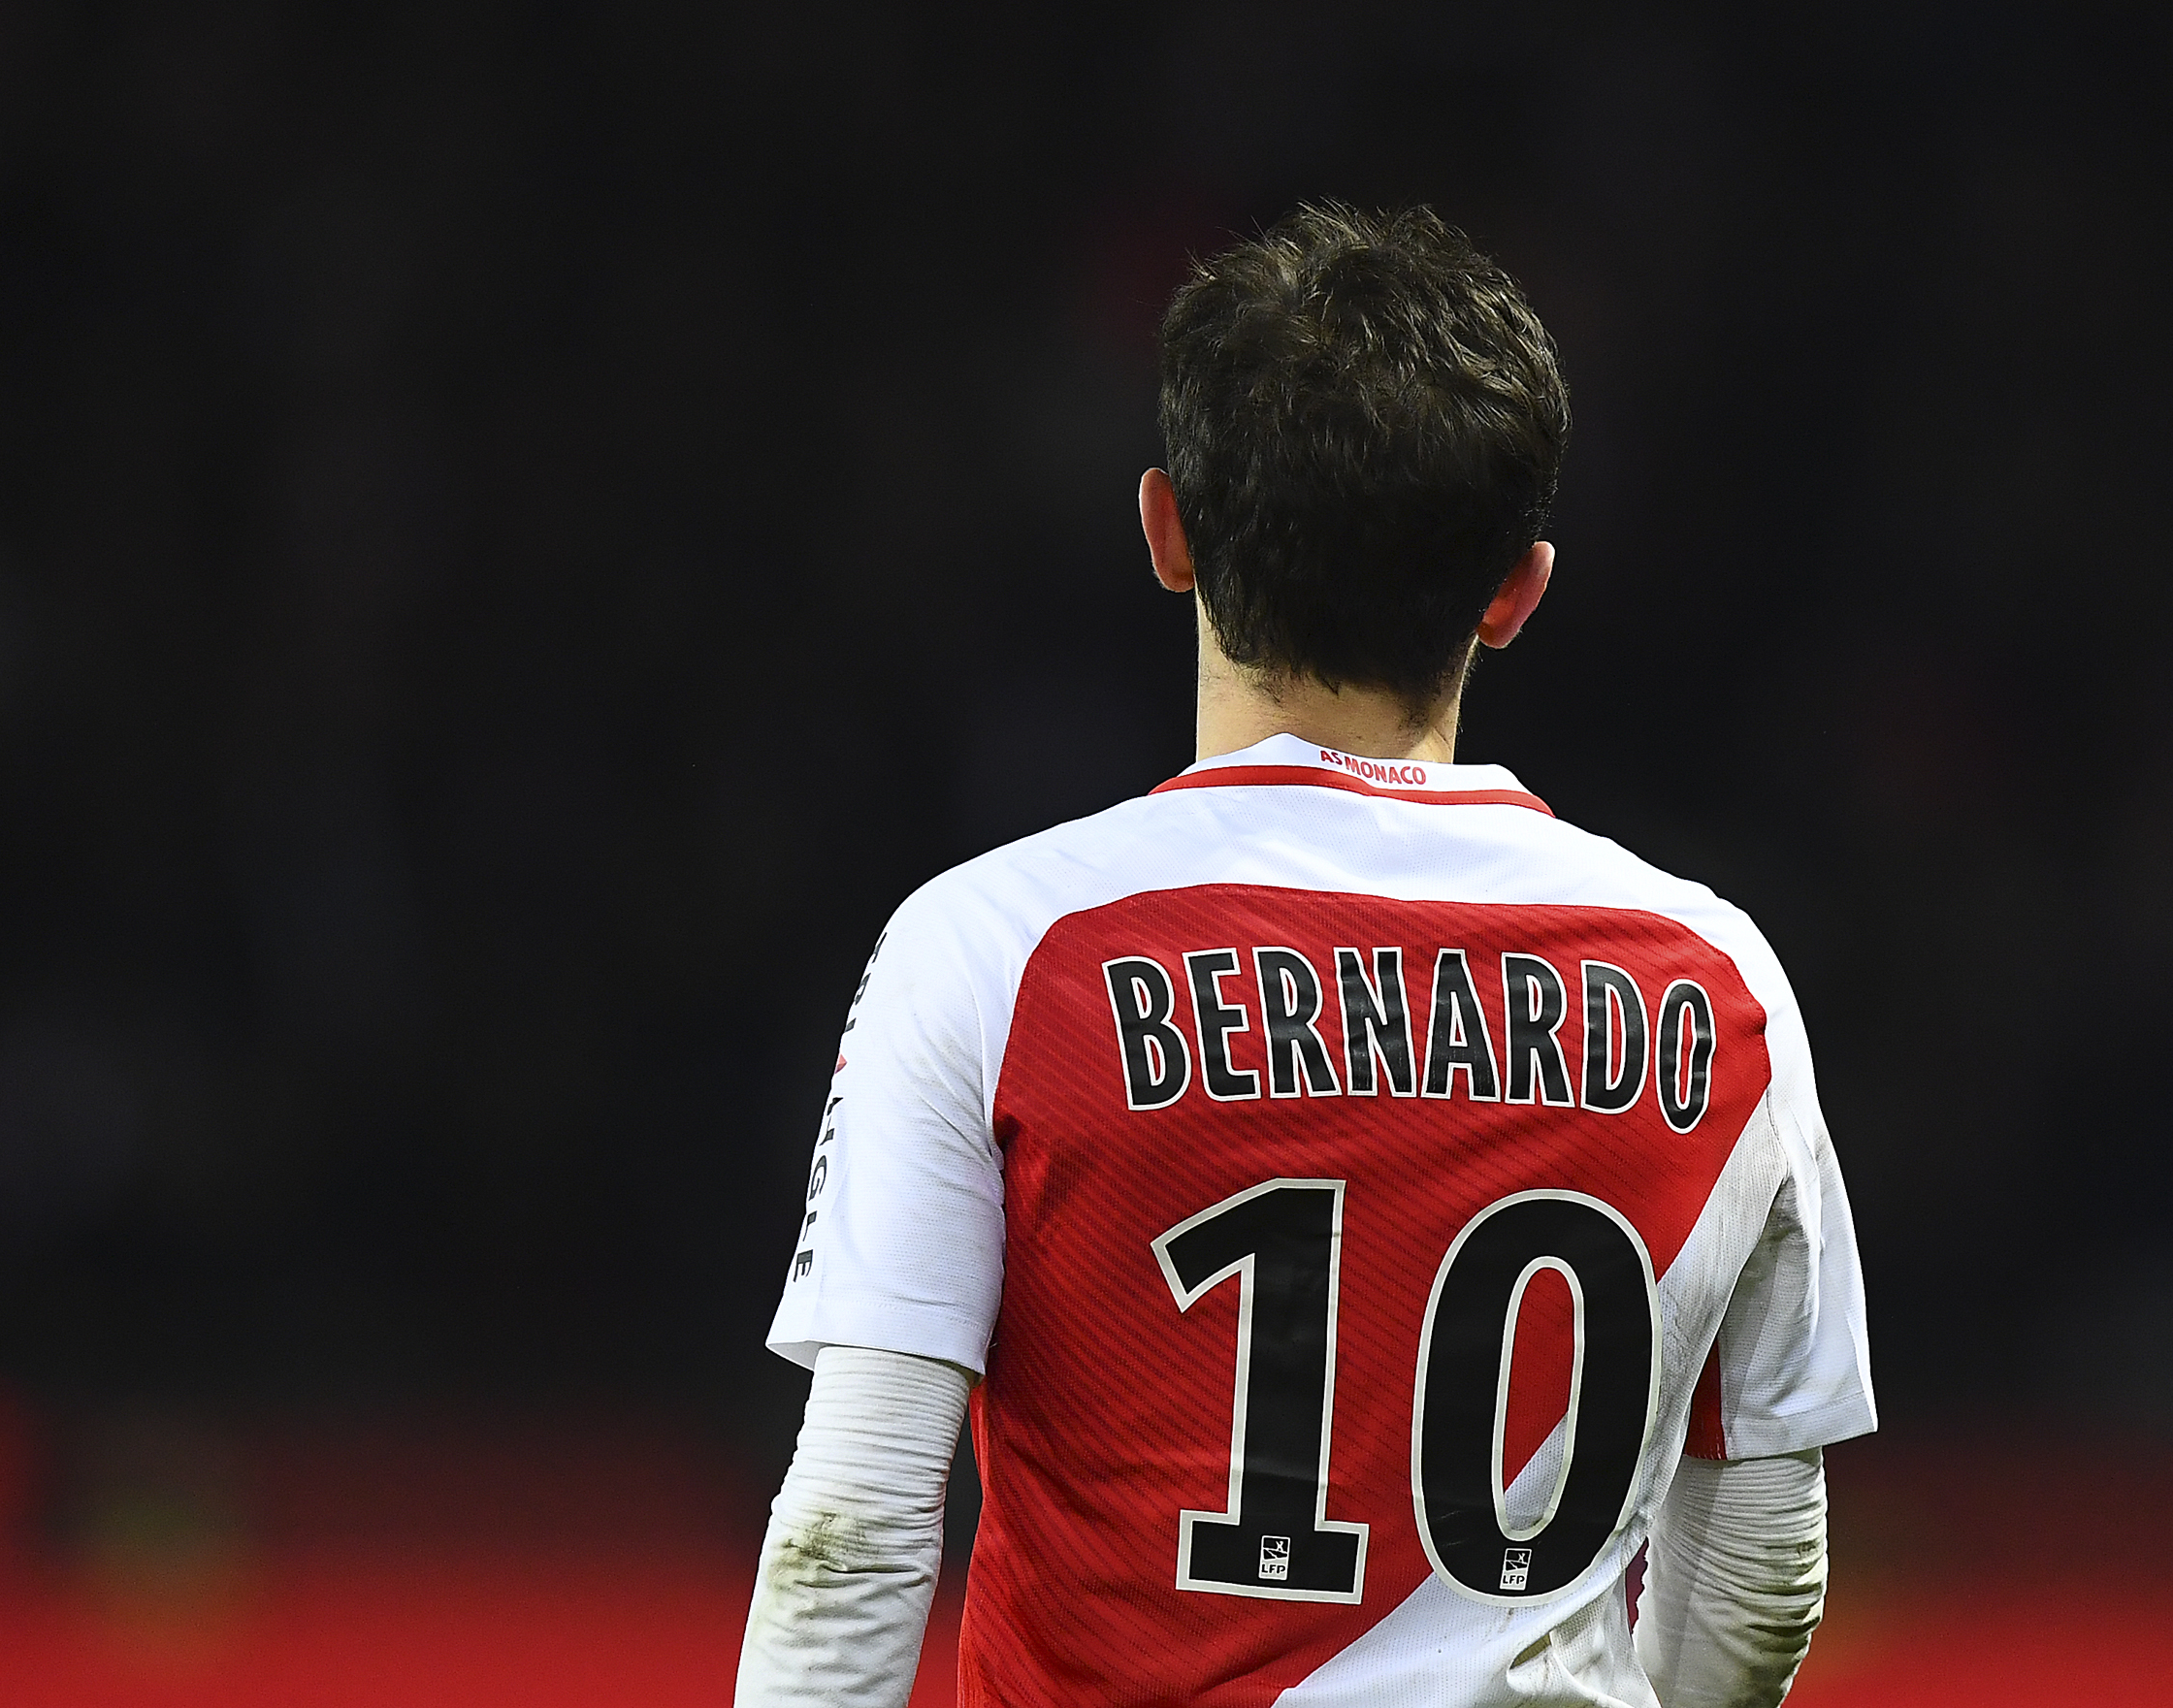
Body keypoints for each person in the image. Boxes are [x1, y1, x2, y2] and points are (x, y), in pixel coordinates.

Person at [735, 203, 1872, 1707]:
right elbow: (1759, 1559)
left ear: (1167, 531)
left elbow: (856, 1527)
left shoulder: (1000, 952)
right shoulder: (1716, 985)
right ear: (1518, 590)